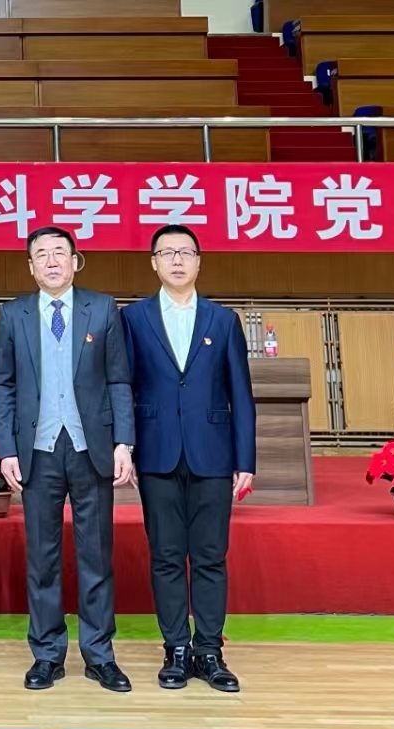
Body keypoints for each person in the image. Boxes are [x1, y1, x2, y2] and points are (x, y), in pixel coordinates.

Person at [0, 226, 135, 693]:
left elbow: (119, 380)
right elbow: (4, 386)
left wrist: (124, 442)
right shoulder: (13, 314)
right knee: (42, 559)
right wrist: (7, 449)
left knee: (96, 555)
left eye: (59, 253)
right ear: (30, 266)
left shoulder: (103, 308)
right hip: (38, 450)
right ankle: (47, 654)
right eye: (42, 255)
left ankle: (99, 654)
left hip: (92, 448)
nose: (51, 261)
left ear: (76, 261)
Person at [120, 224, 254, 693]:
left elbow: (241, 394)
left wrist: (245, 459)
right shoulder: (133, 318)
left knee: (212, 556)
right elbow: (123, 388)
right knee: (166, 556)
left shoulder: (223, 320)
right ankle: (176, 648)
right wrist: (126, 446)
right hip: (156, 453)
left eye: (186, 252)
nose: (177, 260)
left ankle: (210, 649)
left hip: (212, 454)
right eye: (167, 253)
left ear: (199, 261)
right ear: (153, 263)